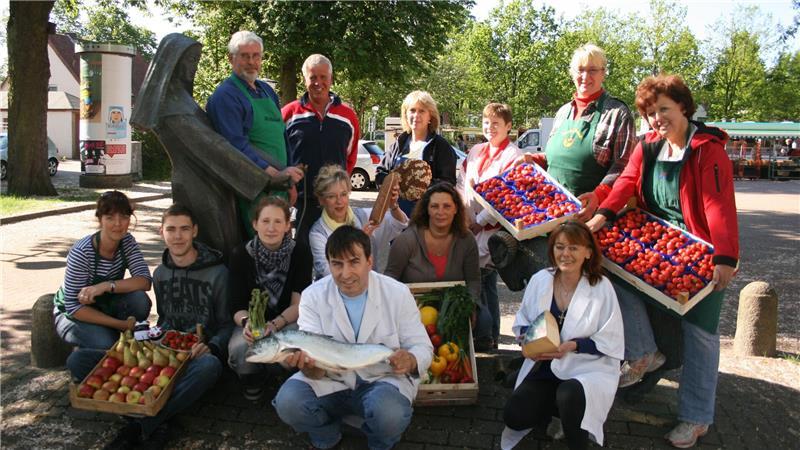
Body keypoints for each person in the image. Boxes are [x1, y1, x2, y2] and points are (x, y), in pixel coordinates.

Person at [586, 74, 739, 448]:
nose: (658, 119)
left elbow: (718, 205)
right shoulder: (649, 146)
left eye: (665, 110)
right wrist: (600, 217)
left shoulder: (706, 149)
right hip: (654, 236)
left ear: (684, 107)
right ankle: (643, 351)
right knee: (604, 268)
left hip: (699, 247)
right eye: (652, 113)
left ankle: (696, 417)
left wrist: (725, 256)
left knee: (700, 334)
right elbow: (626, 182)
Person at [66, 204, 230, 449]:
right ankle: (157, 417)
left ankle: (139, 424)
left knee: (210, 366)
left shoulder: (218, 273)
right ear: (161, 232)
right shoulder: (161, 273)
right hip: (163, 353)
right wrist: (146, 339)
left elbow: (227, 324)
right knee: (77, 361)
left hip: (195, 356)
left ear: (195, 231)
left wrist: (212, 346)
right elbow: (163, 321)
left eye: (184, 229)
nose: (177, 236)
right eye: (171, 229)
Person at [273, 226, 432, 450]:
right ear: (328, 264)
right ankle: (327, 434)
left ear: (370, 261)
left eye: (354, 262)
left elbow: (422, 345)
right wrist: (309, 368)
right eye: (337, 264)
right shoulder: (312, 296)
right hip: (331, 380)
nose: (345, 274)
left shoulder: (397, 293)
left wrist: (412, 359)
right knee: (289, 402)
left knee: (390, 414)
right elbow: (316, 366)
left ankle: (379, 441)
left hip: (381, 380)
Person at [501, 221, 623, 450]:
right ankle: (554, 411)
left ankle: (577, 438)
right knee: (514, 416)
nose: (565, 254)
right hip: (545, 367)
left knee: (570, 394)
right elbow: (523, 321)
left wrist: (573, 346)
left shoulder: (601, 287)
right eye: (560, 247)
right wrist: (529, 343)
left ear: (588, 252)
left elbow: (611, 339)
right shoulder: (541, 279)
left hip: (587, 368)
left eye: (574, 248)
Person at [518, 44, 636, 221]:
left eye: (593, 70)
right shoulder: (563, 112)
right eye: (580, 70)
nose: (585, 76)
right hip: (548, 212)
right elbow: (555, 158)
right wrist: (535, 160)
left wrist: (599, 195)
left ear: (603, 73)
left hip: (588, 217)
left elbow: (624, 166)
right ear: (572, 73)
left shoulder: (617, 113)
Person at [206, 31, 304, 234]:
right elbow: (235, 147)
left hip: (279, 185)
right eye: (245, 56)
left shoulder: (267, 91)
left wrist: (289, 180)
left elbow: (282, 135)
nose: (251, 62)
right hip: (253, 190)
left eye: (256, 55)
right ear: (231, 58)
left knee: (281, 248)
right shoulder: (226, 96)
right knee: (260, 247)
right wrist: (277, 176)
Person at [228, 196, 313, 401]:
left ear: (287, 226)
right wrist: (249, 324)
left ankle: (286, 378)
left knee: (296, 349)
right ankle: (254, 379)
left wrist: (274, 325)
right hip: (253, 323)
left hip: (287, 320)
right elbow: (237, 307)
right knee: (239, 348)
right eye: (265, 221)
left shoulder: (300, 252)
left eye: (278, 222)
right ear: (255, 224)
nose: (271, 228)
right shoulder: (240, 255)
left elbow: (298, 304)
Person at [384, 183, 488, 347]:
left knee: (484, 320)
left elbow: (474, 280)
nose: (441, 212)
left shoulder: (467, 240)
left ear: (456, 209)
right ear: (427, 209)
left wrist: (470, 304)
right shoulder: (406, 240)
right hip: (412, 309)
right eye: (435, 206)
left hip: (452, 310)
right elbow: (389, 279)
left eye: (447, 206)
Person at [458, 103, 523, 350]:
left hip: (492, 230)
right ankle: (481, 333)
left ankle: (491, 336)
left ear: (508, 127)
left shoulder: (512, 157)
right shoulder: (476, 150)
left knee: (486, 282)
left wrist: (479, 222)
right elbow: (463, 182)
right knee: (475, 280)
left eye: (496, 123)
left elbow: (506, 196)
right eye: (486, 122)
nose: (490, 127)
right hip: (470, 225)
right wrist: (464, 215)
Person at [53, 190, 152, 351]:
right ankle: (94, 342)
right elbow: (73, 307)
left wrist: (106, 285)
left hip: (107, 304)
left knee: (140, 300)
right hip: (75, 314)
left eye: (124, 217)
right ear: (100, 220)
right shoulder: (82, 252)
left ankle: (109, 334)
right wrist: (121, 325)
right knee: (109, 345)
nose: (118, 224)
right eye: (110, 218)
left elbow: (145, 281)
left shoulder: (127, 242)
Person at [282, 54, 360, 244]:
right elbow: (280, 154)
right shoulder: (289, 113)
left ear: (331, 79)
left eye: (323, 77)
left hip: (336, 203)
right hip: (302, 202)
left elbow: (350, 157)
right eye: (313, 77)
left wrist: (340, 188)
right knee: (302, 256)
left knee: (338, 254)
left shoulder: (348, 116)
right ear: (304, 80)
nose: (318, 82)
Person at [309, 164, 408, 279]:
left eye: (343, 194)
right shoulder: (318, 233)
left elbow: (397, 224)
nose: (339, 201)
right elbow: (330, 273)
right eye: (332, 196)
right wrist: (360, 243)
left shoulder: (363, 216)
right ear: (321, 200)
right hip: (333, 295)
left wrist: (393, 205)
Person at [375, 91, 457, 215]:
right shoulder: (399, 144)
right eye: (412, 110)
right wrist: (392, 184)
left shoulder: (440, 146)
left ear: (431, 116)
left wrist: (419, 187)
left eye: (422, 111)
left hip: (426, 219)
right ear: (406, 115)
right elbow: (380, 173)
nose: (416, 115)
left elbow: (448, 183)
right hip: (394, 218)